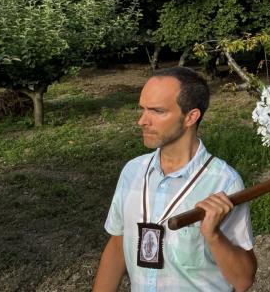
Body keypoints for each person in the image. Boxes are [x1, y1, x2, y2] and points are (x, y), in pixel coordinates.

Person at [93, 67, 256, 292]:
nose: (142, 120)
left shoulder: (224, 183)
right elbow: (117, 245)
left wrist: (213, 235)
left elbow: (243, 280)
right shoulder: (132, 171)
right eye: (142, 109)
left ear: (191, 117)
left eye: (157, 111)